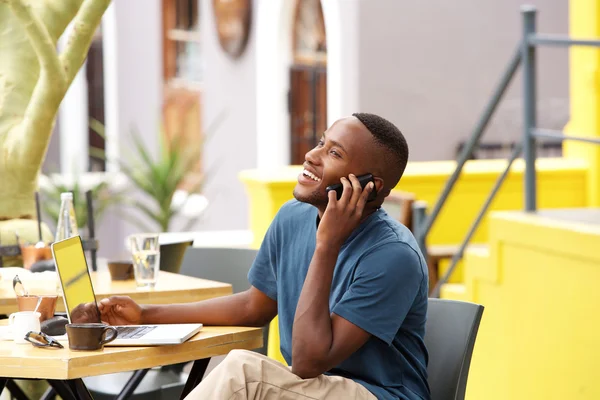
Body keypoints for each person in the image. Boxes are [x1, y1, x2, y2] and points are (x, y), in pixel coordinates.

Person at [98, 113, 430, 400]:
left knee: (244, 372)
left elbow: (308, 362)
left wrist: (327, 244)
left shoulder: (392, 255)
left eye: (334, 153)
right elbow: (252, 307)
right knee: (247, 375)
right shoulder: (292, 217)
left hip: (375, 393)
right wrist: (146, 315)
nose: (312, 156)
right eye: (320, 142)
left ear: (369, 186)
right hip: (304, 387)